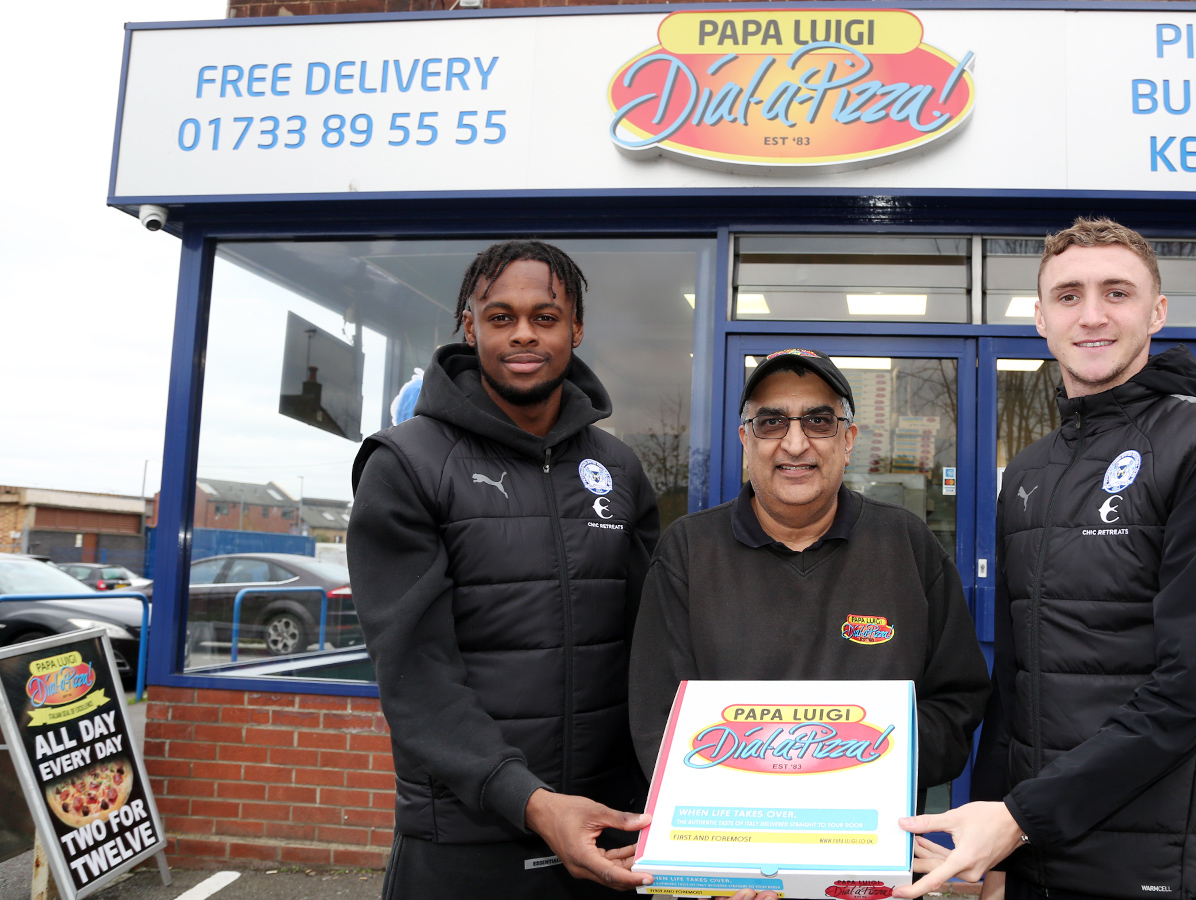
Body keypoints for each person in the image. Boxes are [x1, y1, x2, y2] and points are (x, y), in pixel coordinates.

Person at [896, 218, 1196, 900]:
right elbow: (1014, 687)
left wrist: (1017, 820)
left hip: (1163, 862)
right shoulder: (1027, 472)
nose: (1093, 315)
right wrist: (994, 846)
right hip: (1039, 854)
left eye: (1118, 292)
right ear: (1042, 319)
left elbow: (1192, 690)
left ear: (1156, 312)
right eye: (1069, 296)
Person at [348, 240, 661, 899]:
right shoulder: (406, 465)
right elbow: (415, 676)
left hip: (609, 826)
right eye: (501, 316)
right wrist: (529, 800)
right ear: (470, 325)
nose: (524, 333)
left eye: (545, 317)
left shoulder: (620, 469)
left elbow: (654, 647)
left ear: (576, 329)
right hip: (466, 833)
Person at [628, 348, 991, 853]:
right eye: (771, 422)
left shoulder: (907, 545)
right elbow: (659, 722)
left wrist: (856, 760)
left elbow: (957, 704)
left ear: (848, 440)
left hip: (867, 854)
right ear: (745, 440)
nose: (794, 444)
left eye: (819, 421)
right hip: (730, 854)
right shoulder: (689, 552)